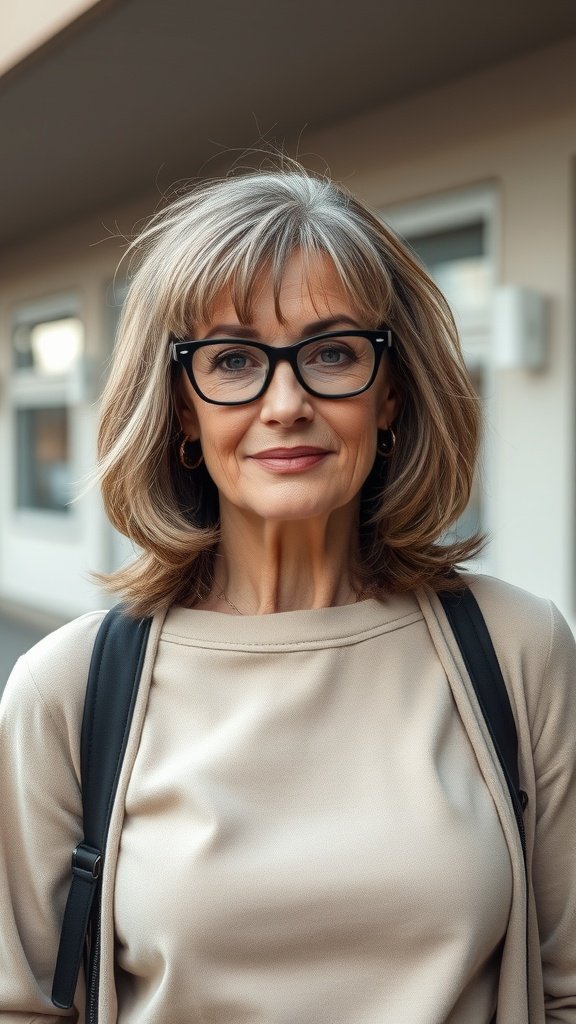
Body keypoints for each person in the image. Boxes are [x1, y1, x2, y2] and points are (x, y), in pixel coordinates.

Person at [0, 164, 575, 1024]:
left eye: (332, 353)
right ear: (183, 409)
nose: (286, 402)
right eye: (231, 360)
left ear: (390, 394)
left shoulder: (515, 647)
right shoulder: (70, 689)